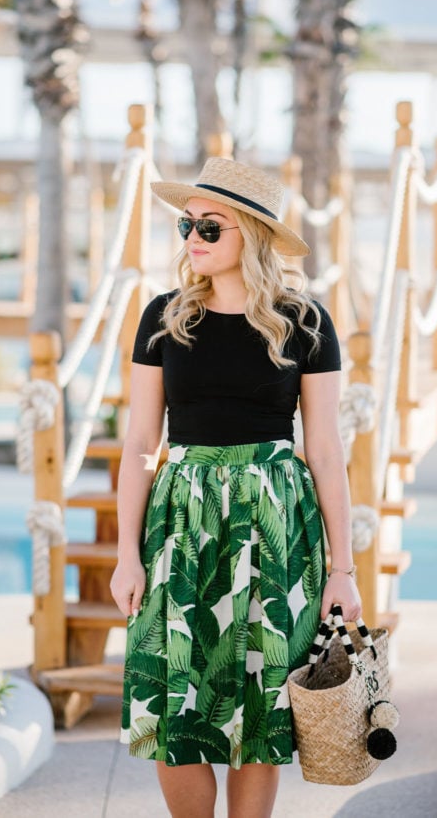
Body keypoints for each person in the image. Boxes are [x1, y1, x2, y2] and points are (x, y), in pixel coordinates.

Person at [110, 157, 362, 818]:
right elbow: (140, 444)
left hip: (275, 528)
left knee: (261, 711)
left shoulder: (304, 321)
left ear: (251, 232)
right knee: (174, 708)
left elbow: (327, 450)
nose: (192, 237)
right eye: (186, 224)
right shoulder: (163, 317)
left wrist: (344, 569)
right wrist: (126, 553)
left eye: (209, 226)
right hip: (181, 526)